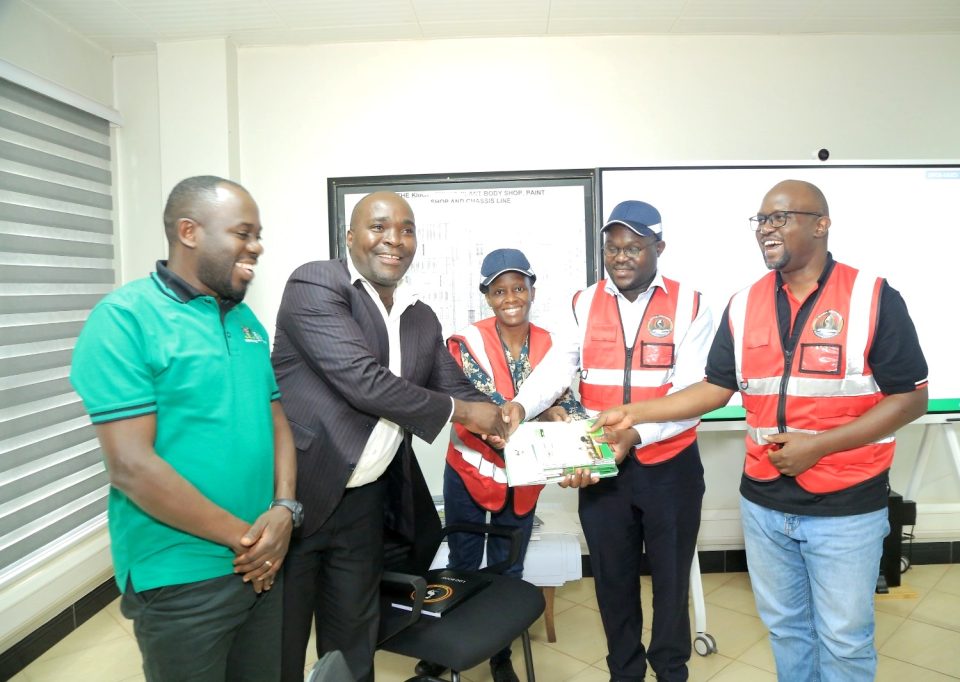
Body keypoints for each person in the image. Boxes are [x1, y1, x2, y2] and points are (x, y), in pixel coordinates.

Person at [593, 180, 929, 682]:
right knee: (786, 628)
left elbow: (911, 397)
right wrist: (635, 414)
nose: (767, 230)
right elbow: (715, 387)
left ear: (821, 224)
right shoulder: (744, 303)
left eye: (780, 218)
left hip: (846, 504)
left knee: (843, 636)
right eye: (761, 221)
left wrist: (820, 446)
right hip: (765, 504)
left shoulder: (872, 296)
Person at [271, 191, 509, 682]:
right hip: (297, 496)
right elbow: (363, 381)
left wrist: (516, 417)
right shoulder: (317, 283)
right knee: (280, 647)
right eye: (379, 227)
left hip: (365, 506)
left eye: (407, 228)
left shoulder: (420, 316)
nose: (394, 240)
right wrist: (466, 412)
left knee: (354, 641)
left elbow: (451, 385)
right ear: (351, 236)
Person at [69, 175, 298, 681]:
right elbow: (131, 466)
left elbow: (277, 421)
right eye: (243, 232)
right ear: (189, 231)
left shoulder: (246, 322)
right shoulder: (125, 319)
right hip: (180, 573)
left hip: (262, 564)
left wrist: (284, 510)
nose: (256, 246)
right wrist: (250, 541)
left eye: (257, 234)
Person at [503, 201, 715, 682]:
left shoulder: (692, 304)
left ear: (658, 248)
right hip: (602, 466)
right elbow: (560, 365)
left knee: (670, 581)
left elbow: (691, 394)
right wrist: (521, 403)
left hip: (671, 468)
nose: (620, 257)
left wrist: (635, 433)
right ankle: (624, 672)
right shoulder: (584, 301)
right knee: (613, 581)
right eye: (612, 248)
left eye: (634, 247)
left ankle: (670, 670)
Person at [416, 248, 588, 682]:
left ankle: (499, 653)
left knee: (509, 567)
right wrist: (539, 412)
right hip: (470, 470)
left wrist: (563, 417)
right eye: (499, 290)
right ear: (487, 296)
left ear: (531, 290)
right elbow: (470, 403)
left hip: (524, 477)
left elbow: (563, 400)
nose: (510, 297)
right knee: (463, 563)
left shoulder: (554, 344)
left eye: (518, 288)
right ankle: (444, 649)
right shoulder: (465, 341)